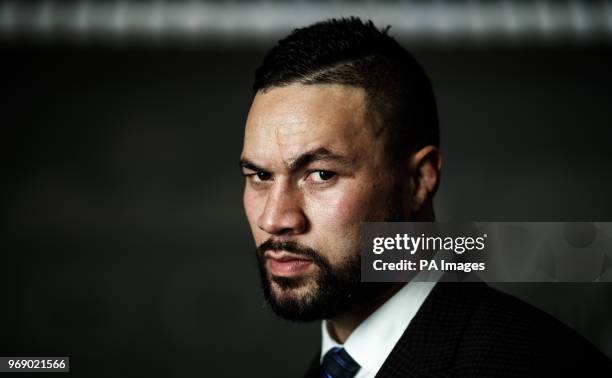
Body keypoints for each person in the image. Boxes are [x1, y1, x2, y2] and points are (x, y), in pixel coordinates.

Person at [239, 17, 612, 377]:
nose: (273, 219)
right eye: (260, 175)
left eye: (321, 175)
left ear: (419, 179)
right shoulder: (334, 366)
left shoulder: (542, 366)